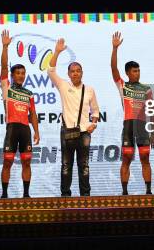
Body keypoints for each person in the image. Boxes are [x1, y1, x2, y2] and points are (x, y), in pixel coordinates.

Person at [48, 38, 100, 197]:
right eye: (72, 71)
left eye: (78, 70)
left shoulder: (89, 89)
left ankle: (85, 196)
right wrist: (57, 52)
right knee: (65, 165)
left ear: (82, 73)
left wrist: (94, 123)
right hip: (67, 131)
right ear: (69, 74)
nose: (75, 73)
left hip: (84, 132)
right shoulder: (63, 85)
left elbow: (96, 110)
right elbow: (50, 70)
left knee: (84, 165)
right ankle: (65, 196)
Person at [111, 31, 154, 195]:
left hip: (142, 126)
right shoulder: (123, 86)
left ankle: (149, 191)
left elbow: (152, 111)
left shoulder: (146, 88)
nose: (138, 73)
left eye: (139, 70)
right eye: (135, 71)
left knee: (145, 159)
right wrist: (114, 48)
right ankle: (124, 192)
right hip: (128, 126)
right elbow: (113, 68)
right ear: (128, 73)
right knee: (126, 159)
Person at [0, 30, 41, 198]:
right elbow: (3, 66)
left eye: (23, 73)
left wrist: (37, 131)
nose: (21, 76)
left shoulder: (29, 93)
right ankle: (4, 194)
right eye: (18, 73)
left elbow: (33, 114)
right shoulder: (7, 88)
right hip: (12, 128)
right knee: (8, 161)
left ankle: (26, 194)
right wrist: (5, 47)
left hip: (25, 130)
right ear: (12, 75)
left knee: (27, 162)